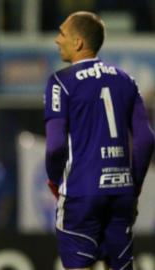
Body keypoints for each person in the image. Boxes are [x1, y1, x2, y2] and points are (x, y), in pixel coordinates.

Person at [44, 11, 154, 270]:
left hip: (81, 193)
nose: (57, 40)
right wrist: (134, 184)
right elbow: (146, 139)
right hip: (121, 192)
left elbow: (56, 144)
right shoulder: (126, 80)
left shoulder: (61, 82)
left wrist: (54, 179)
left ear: (79, 42)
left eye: (62, 33)